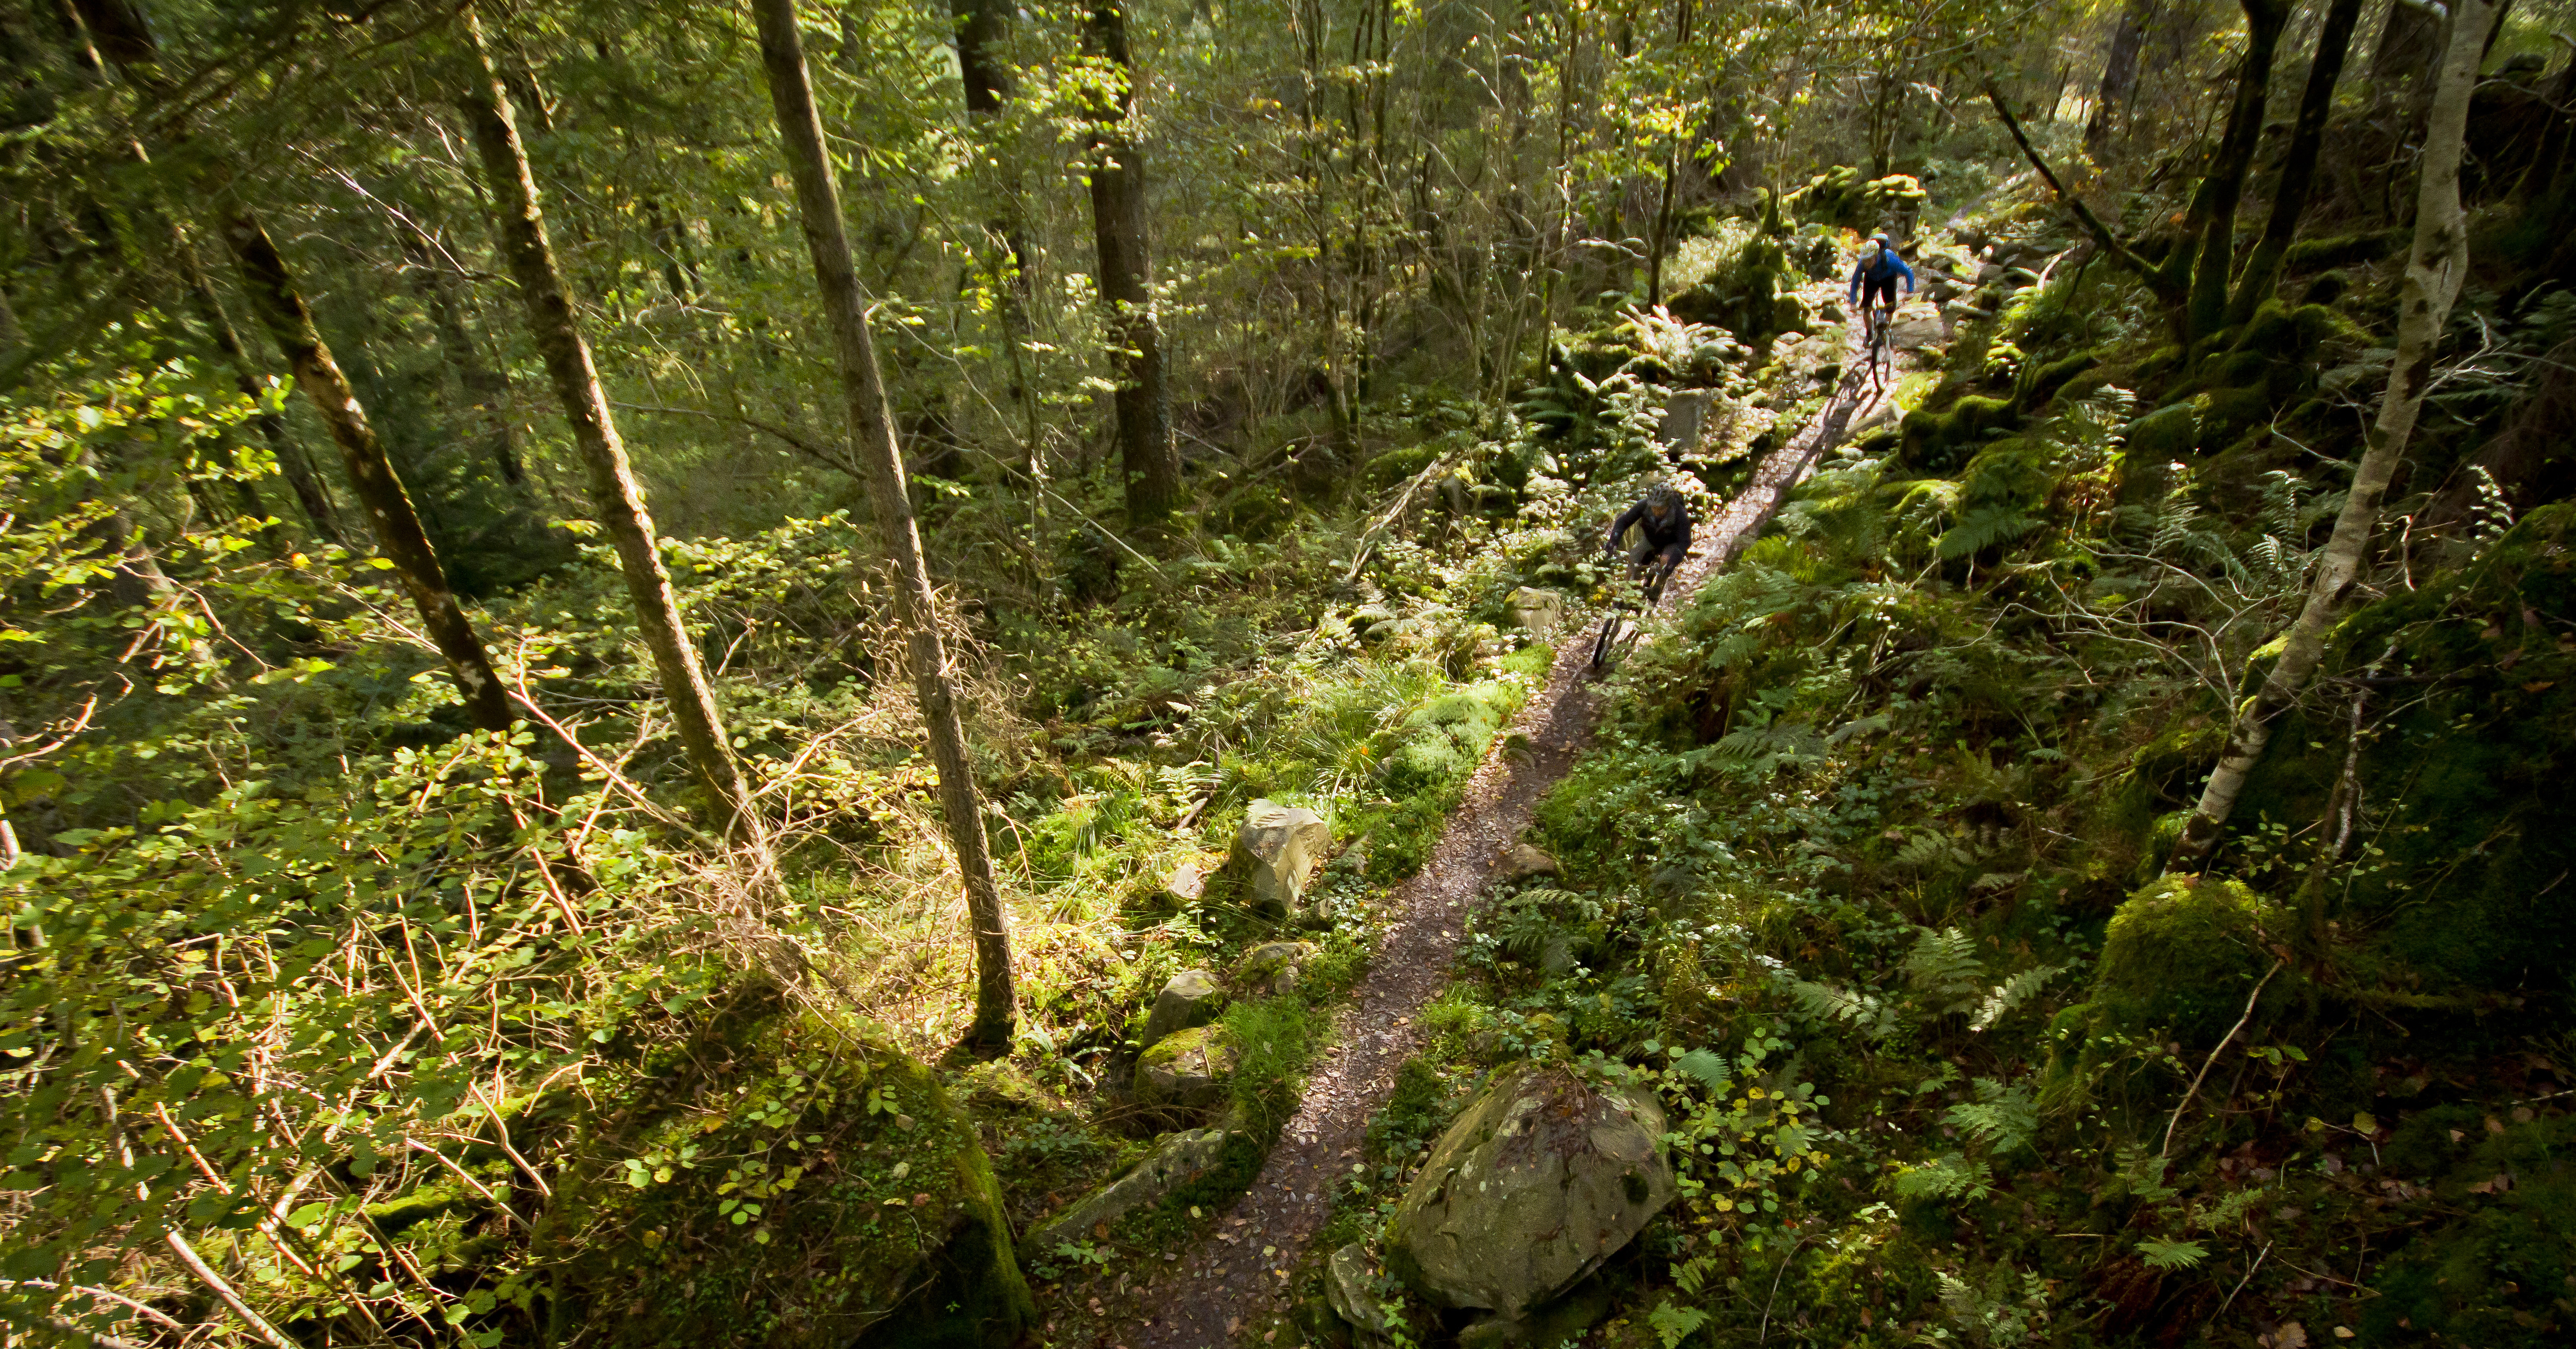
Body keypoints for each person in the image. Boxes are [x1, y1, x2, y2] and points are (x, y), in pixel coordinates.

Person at [1604, 481, 1692, 593]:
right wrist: (1613, 541)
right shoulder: (1645, 505)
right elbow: (1623, 521)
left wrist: (1671, 564)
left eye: (1661, 509)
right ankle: (1624, 592)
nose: (1656, 511)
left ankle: (1658, 587)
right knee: (1634, 556)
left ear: (1668, 505)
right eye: (1654, 508)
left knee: (1665, 561)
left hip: (1671, 542)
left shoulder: (1679, 513)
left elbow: (1684, 542)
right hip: (1651, 539)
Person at [1848, 232, 1915, 343]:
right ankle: (1869, 334)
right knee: (1866, 308)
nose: (1867, 263)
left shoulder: (1890, 258)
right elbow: (1855, 281)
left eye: (1869, 260)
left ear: (1876, 256)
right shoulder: (1862, 264)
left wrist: (1910, 291)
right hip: (1871, 279)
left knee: (1890, 306)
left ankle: (1887, 330)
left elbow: (1908, 271)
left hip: (1888, 279)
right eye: (1865, 260)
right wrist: (1853, 302)